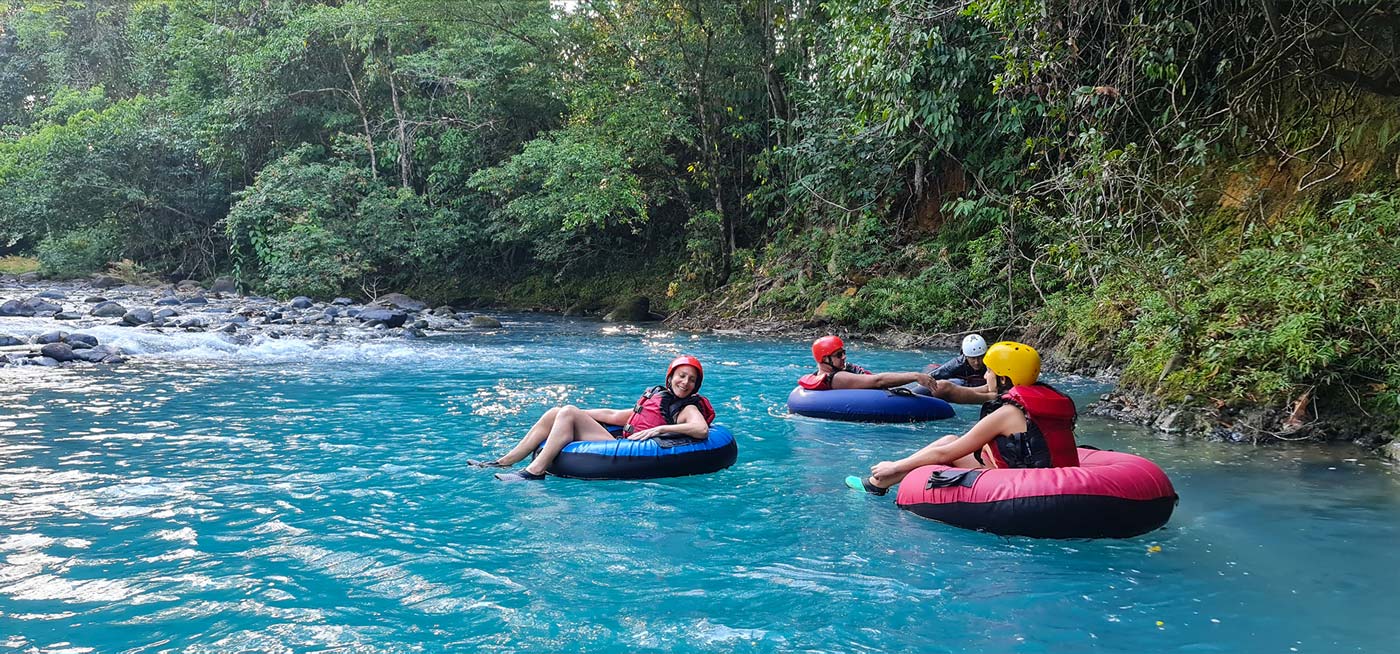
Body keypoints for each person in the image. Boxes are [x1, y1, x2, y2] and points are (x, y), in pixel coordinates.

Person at [845, 341, 1080, 495]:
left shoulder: (1008, 412)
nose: (986, 374)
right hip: (1055, 475)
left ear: (1004, 379)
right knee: (950, 441)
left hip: (1026, 484)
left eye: (990, 371)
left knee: (947, 441)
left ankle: (879, 481)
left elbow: (947, 453)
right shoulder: (1049, 398)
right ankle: (881, 482)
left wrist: (894, 465)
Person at [470, 355, 716, 481]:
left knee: (567, 413)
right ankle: (505, 461)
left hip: (633, 448)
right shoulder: (659, 396)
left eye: (691, 380)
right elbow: (616, 416)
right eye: (681, 376)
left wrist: (659, 430)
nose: (685, 383)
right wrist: (580, 412)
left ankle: (535, 472)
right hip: (624, 439)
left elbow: (701, 430)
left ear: (696, 385)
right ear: (671, 376)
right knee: (558, 412)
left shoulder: (684, 406)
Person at [798, 335, 934, 391]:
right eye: (839, 354)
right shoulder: (837, 377)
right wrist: (915, 376)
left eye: (844, 352)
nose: (844, 357)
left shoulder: (824, 374)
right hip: (891, 396)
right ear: (825, 359)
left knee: (933, 372)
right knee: (944, 386)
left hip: (888, 393)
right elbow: (878, 381)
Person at [921, 333, 996, 405]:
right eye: (973, 358)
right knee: (955, 382)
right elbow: (933, 376)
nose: (977, 362)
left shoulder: (991, 362)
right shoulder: (956, 364)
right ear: (966, 356)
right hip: (963, 385)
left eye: (980, 357)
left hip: (980, 386)